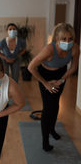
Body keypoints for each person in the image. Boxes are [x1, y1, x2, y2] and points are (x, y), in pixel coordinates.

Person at [28, 23, 79, 152]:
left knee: (55, 103)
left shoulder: (75, 48)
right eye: (63, 39)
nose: (67, 42)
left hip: (61, 74)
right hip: (45, 75)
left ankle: (52, 129)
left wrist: (61, 80)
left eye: (70, 39)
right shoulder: (49, 50)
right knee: (48, 107)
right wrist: (45, 83)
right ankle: (45, 140)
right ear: (57, 38)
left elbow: (73, 67)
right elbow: (31, 67)